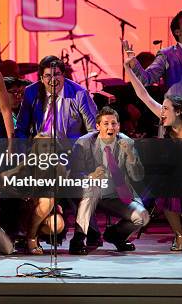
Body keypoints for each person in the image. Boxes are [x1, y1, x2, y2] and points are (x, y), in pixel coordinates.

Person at [124, 45, 182, 251]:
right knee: (167, 189)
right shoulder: (167, 121)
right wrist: (130, 69)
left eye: (166, 109)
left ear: (179, 112)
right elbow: (143, 95)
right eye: (162, 108)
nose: (161, 113)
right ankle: (180, 236)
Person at [68, 107, 149, 255]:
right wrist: (90, 176)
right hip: (90, 191)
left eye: (114, 123)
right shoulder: (84, 143)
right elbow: (72, 174)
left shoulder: (127, 142)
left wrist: (130, 155)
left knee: (142, 216)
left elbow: (138, 176)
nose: (110, 127)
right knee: (93, 188)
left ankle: (116, 236)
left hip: (117, 194)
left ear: (118, 126)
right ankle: (78, 239)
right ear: (98, 126)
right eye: (106, 124)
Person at [0, 135, 66, 255]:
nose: (48, 150)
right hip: (23, 209)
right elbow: (2, 179)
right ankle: (31, 238)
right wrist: (20, 195)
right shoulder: (26, 165)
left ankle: (30, 236)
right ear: (36, 148)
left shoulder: (59, 168)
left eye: (51, 146)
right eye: (44, 146)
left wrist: (56, 203)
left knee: (57, 223)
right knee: (47, 201)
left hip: (45, 210)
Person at [125, 10, 182, 111]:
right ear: (177, 32)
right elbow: (146, 79)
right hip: (178, 121)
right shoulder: (167, 55)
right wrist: (133, 62)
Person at [15, 55, 98, 140]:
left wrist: (79, 148)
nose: (53, 79)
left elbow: (94, 131)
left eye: (57, 74)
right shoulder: (31, 92)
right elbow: (21, 130)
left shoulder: (80, 94)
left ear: (63, 75)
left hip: (72, 150)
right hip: (40, 150)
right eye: (48, 76)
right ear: (41, 79)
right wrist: (28, 150)